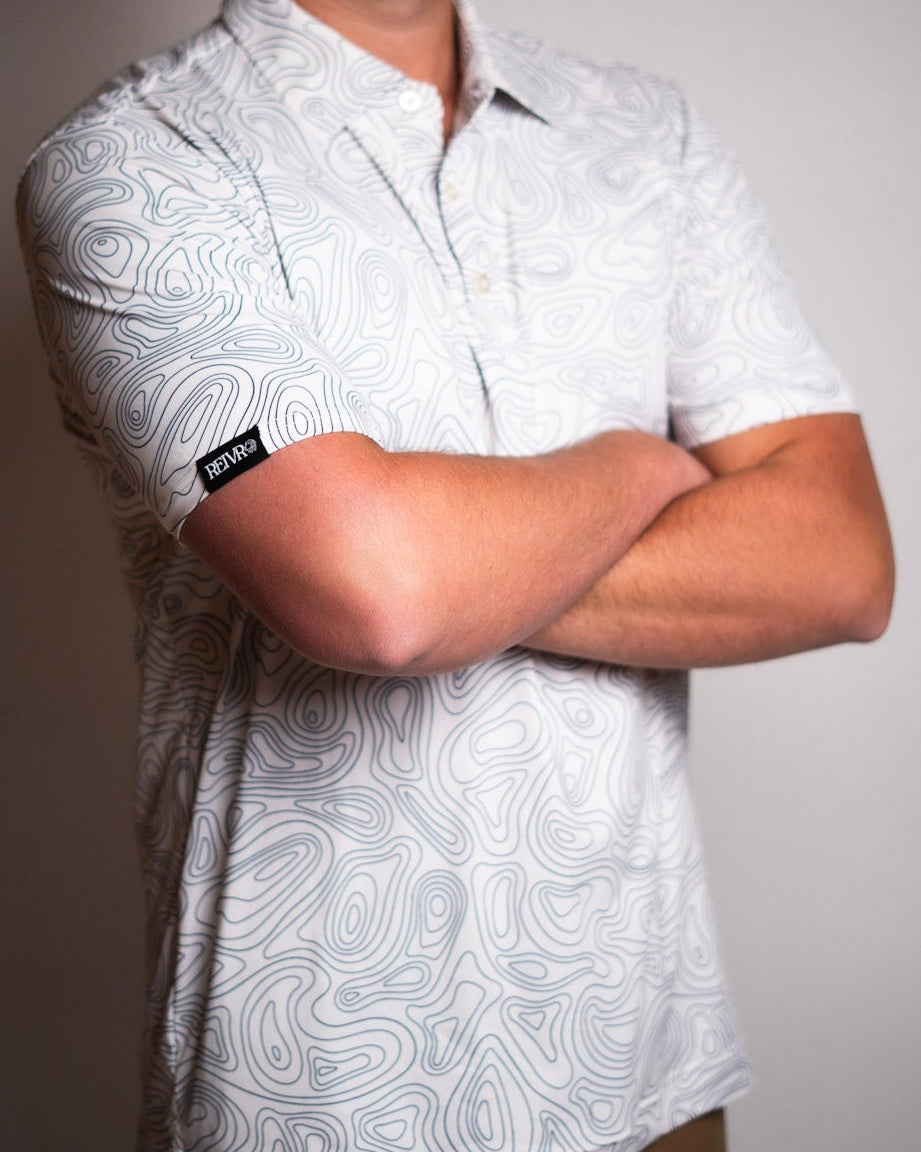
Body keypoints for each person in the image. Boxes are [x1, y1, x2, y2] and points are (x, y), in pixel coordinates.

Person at [16, 0, 893, 1149]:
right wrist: (637, 465)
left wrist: (440, 561)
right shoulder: (137, 157)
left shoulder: (649, 135)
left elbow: (840, 559)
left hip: (645, 1071)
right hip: (319, 1094)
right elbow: (378, 590)